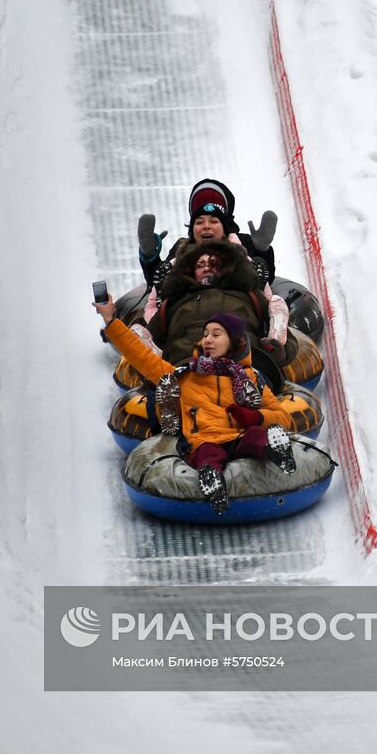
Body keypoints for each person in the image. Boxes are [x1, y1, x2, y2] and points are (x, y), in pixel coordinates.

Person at [94, 302, 296, 514]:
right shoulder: (184, 376)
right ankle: (213, 481)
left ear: (234, 342)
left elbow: (283, 417)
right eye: (205, 334)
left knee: (256, 435)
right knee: (207, 454)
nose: (207, 339)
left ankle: (276, 452)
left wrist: (255, 417)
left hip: (239, 436)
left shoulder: (250, 378)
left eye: (216, 335)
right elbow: (141, 358)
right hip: (205, 439)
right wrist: (110, 321)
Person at [144, 239, 297, 368]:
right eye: (200, 265)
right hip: (187, 368)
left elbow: (289, 340)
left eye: (213, 263)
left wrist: (276, 352)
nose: (206, 268)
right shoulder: (174, 302)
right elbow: (152, 334)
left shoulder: (248, 295)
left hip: (243, 365)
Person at [137, 177, 278, 290]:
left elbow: (264, 281)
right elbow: (160, 284)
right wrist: (150, 258)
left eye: (213, 219)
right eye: (200, 219)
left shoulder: (242, 243)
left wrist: (261, 251)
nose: (206, 226)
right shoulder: (183, 248)